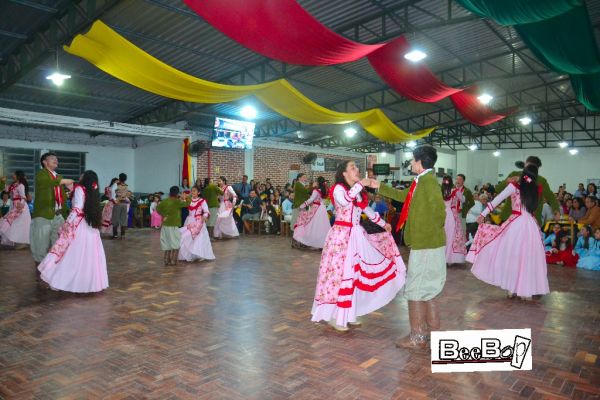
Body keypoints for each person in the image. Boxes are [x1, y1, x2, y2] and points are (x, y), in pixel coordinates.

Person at [311, 160, 405, 332]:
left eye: (356, 167)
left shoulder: (358, 192)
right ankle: (336, 317)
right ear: (344, 173)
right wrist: (362, 183)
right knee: (340, 275)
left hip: (355, 235)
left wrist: (384, 224)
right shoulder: (338, 189)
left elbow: (367, 210)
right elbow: (345, 201)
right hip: (341, 237)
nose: (357, 170)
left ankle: (348, 314)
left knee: (353, 275)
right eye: (352, 167)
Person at [378, 145, 446, 349]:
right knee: (427, 290)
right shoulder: (422, 181)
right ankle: (431, 334)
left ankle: (418, 337)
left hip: (426, 244)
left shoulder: (428, 183)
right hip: (427, 243)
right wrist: (377, 185)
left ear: (420, 162)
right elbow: (403, 197)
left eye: (413, 160)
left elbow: (439, 213)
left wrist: (425, 234)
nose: (411, 163)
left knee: (415, 289)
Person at [467, 165, 549, 300]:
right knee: (528, 258)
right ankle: (525, 291)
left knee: (512, 256)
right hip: (531, 225)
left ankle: (512, 288)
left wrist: (483, 214)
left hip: (516, 224)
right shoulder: (535, 190)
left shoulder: (514, 187)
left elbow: (495, 201)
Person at [38, 170, 108, 293]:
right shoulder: (93, 191)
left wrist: (67, 222)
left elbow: (77, 208)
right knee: (88, 256)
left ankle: (62, 281)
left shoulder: (80, 188)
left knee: (70, 254)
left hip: (79, 225)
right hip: (90, 227)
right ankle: (85, 283)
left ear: (85, 178)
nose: (80, 175)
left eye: (83, 174)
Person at [30, 152, 73, 265]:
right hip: (44, 214)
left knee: (59, 241)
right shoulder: (41, 174)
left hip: (58, 215)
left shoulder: (58, 176)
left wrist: (71, 191)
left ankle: (54, 265)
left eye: (56, 159)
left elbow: (62, 196)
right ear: (44, 162)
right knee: (41, 244)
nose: (56, 160)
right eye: (52, 158)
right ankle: (39, 268)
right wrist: (63, 181)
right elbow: (47, 182)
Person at [495, 157, 559, 225]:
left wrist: (556, 210)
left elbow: (551, 197)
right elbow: (498, 189)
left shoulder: (541, 181)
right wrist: (506, 182)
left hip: (531, 220)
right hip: (509, 217)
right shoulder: (514, 174)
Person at [178, 186, 215, 262]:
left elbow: (206, 211)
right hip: (189, 220)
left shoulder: (202, 201)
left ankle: (199, 254)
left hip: (198, 222)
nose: (193, 192)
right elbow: (180, 203)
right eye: (192, 191)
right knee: (187, 237)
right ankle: (188, 254)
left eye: (194, 191)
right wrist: (182, 198)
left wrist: (204, 217)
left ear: (198, 192)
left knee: (198, 239)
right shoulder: (189, 200)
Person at [293, 176, 331, 249]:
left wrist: (303, 204)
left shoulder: (316, 190)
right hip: (322, 208)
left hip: (316, 208)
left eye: (316, 181)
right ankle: (322, 243)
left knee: (312, 225)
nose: (315, 182)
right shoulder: (324, 190)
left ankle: (312, 242)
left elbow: (311, 199)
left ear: (318, 182)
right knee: (322, 226)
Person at [157, 186, 190, 265]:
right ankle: (173, 260)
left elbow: (158, 209)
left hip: (165, 226)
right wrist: (187, 197)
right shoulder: (177, 202)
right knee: (175, 242)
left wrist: (164, 215)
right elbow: (188, 203)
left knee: (166, 242)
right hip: (174, 225)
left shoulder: (164, 201)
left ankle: (166, 260)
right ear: (177, 193)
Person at [0, 171, 31, 247]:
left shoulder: (21, 186)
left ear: (18, 176)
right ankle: (16, 242)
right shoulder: (13, 185)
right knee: (14, 225)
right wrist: (2, 181)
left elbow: (23, 197)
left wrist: (21, 205)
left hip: (20, 207)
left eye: (14, 174)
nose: (12, 175)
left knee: (19, 225)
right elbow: (5, 189)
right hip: (14, 206)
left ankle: (22, 242)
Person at [441, 175, 466, 265]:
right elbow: (463, 200)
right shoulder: (455, 191)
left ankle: (442, 258)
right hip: (452, 215)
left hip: (442, 215)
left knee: (443, 236)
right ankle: (449, 259)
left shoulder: (440, 192)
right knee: (452, 237)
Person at [111, 173, 130, 239]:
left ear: (119, 178)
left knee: (115, 218)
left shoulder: (116, 184)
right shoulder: (126, 185)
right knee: (123, 219)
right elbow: (127, 194)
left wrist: (115, 201)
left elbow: (113, 193)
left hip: (118, 203)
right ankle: (123, 235)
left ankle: (115, 235)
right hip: (124, 204)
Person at [455, 174, 474, 238]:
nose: (458, 181)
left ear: (463, 181)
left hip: (461, 212)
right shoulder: (452, 189)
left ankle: (463, 245)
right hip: (453, 212)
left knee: (462, 229)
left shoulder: (467, 191)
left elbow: (472, 203)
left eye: (460, 179)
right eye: (457, 179)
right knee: (453, 229)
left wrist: (467, 209)